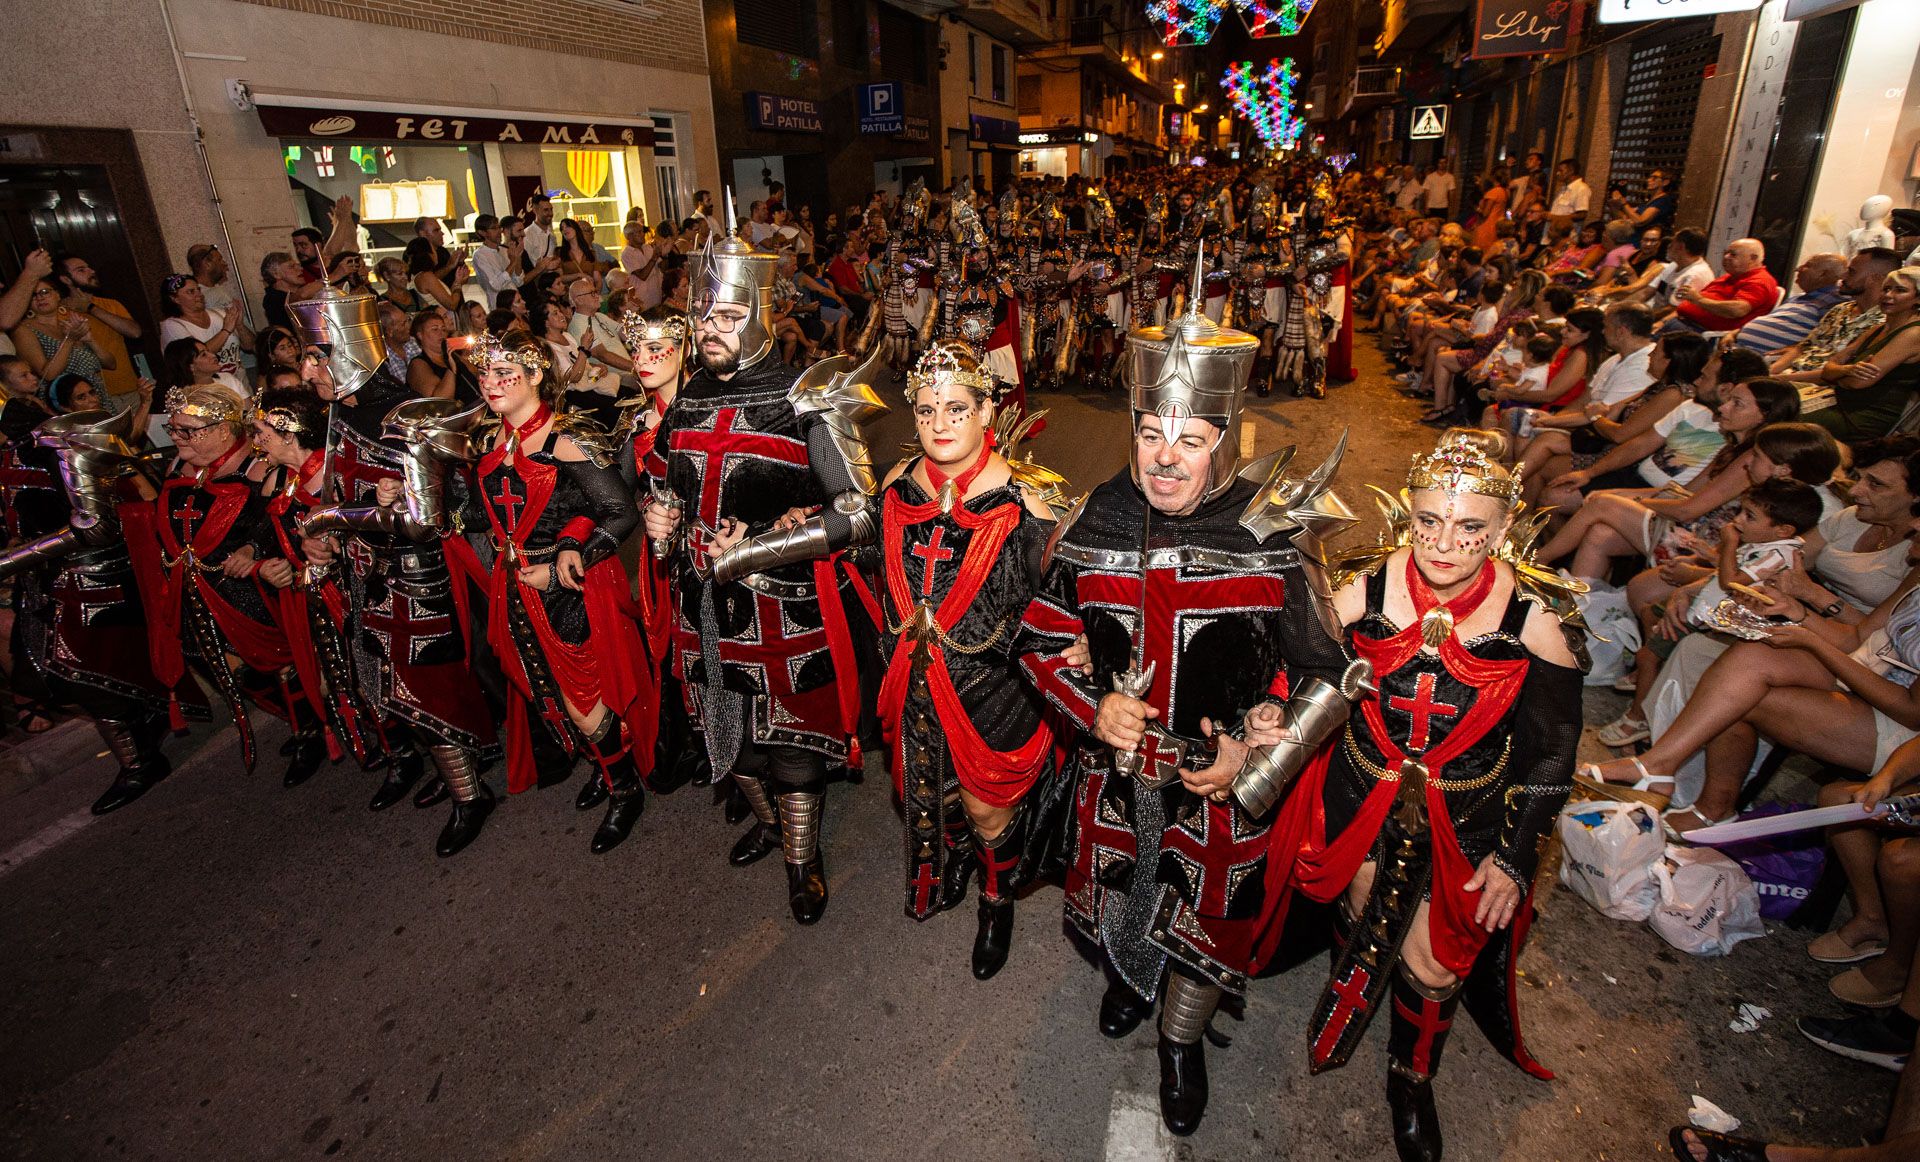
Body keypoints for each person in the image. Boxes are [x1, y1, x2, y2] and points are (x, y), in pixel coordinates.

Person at [1015, 293, 1353, 1136]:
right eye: (1151, 435)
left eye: (1191, 441)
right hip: (1117, 784)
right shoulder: (1091, 519)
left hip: (1217, 795)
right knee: (1119, 901)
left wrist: (1256, 762)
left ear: (1227, 438)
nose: (1166, 460)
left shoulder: (1271, 533)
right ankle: (1132, 987)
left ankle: (1179, 1039)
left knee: (1208, 927)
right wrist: (1093, 709)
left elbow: (1333, 675)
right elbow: (1036, 640)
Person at [1262, 431, 1583, 1162]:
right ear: (1409, 515)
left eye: (1470, 527)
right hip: (1359, 794)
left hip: (1468, 815)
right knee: (1357, 906)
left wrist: (1513, 854)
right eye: (1430, 521)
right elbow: (1305, 667)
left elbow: (1554, 751)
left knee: (1437, 962)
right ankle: (1353, 978)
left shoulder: (1533, 622)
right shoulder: (1364, 590)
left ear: (1502, 529)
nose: (1444, 543)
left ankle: (1411, 1076)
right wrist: (1272, 708)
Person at [641, 228, 881, 925]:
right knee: (730, 738)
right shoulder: (687, 398)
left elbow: (859, 515)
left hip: (785, 606)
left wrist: (755, 554)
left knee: (792, 745)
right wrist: (661, 518)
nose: (708, 331)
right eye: (700, 316)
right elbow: (671, 484)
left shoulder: (809, 394)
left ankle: (801, 858)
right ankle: (773, 824)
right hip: (702, 607)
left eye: (726, 316)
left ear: (764, 312)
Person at [862, 342, 1065, 977]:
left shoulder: (1028, 503)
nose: (941, 424)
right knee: (931, 791)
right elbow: (859, 555)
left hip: (992, 687)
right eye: (926, 411)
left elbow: (1066, 595)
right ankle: (947, 861)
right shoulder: (896, 488)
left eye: (956, 408)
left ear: (986, 412)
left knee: (986, 807)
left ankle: (996, 900)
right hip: (913, 680)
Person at [452, 329, 651, 854]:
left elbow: (621, 509)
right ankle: (605, 768)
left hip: (568, 590)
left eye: (502, 374)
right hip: (512, 588)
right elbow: (477, 515)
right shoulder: (487, 441)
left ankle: (625, 788)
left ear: (537, 374)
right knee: (546, 691)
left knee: (584, 699)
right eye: (483, 375)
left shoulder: (568, 437)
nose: (489, 384)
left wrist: (573, 552)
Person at [0, 405, 184, 813]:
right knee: (45, 679)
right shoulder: (12, 455)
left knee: (86, 675)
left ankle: (140, 762)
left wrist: (11, 562)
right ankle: (146, 724)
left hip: (90, 579)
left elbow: (97, 526)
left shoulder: (64, 446)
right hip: (46, 582)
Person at [125, 384, 295, 776]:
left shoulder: (256, 467)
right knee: (221, 667)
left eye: (189, 430)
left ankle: (314, 727)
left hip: (247, 591)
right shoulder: (174, 467)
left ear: (223, 429)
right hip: (196, 592)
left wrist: (253, 551)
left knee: (277, 666)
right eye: (174, 429)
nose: (178, 437)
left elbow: (275, 520)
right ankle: (295, 723)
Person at [1809, 265, 1920, 440]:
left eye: (1900, 290)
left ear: (1917, 299)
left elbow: (1857, 382)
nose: (1888, 296)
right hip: (1834, 400)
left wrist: (1839, 374)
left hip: (1859, 417)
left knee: (1778, 411)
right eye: (1886, 289)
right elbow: (1828, 369)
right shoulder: (1878, 328)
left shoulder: (1914, 333)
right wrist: (1845, 371)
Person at [1773, 247, 1902, 384]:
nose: (1843, 276)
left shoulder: (1883, 322)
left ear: (1874, 279)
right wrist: (1772, 372)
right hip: (1787, 378)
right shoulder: (1840, 309)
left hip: (1816, 388)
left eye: (1851, 272)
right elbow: (1801, 348)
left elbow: (1844, 373)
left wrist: (1781, 379)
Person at [54, 254, 144, 406]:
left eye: (89, 267)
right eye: (81, 270)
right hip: (93, 396)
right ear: (66, 279)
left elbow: (134, 332)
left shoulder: (110, 304)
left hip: (130, 389)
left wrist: (90, 308)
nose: (91, 271)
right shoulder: (60, 312)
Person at [11, 279, 112, 395]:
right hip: (65, 401)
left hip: (96, 395)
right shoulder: (24, 330)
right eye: (33, 295)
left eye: (45, 292)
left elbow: (111, 364)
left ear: (57, 295)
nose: (40, 298)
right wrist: (70, 339)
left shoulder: (70, 324)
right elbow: (47, 375)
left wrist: (90, 340)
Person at [1735, 252, 1847, 354]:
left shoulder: (1833, 302)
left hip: (1766, 358)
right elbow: (1770, 320)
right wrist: (1735, 333)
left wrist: (1794, 348)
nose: (1798, 269)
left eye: (1807, 266)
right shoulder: (1798, 297)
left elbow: (1827, 339)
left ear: (1823, 274)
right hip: (1740, 348)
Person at [1670, 239, 1781, 335]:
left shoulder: (1760, 281)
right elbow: (1688, 304)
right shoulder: (1730, 276)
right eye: (1726, 253)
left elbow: (1737, 310)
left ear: (1753, 258)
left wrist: (1698, 300)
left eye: (1733, 254)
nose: (1726, 257)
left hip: (1698, 332)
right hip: (1681, 322)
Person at [159, 272, 251, 377]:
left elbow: (249, 346)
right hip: (208, 390)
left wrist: (240, 326)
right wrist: (225, 331)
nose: (199, 294)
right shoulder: (171, 326)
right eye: (191, 292)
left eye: (198, 289)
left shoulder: (219, 313)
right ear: (175, 299)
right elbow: (195, 357)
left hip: (240, 385)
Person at [406, 311, 477, 403]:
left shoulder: (453, 355)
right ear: (420, 335)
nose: (441, 333)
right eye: (435, 329)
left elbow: (477, 376)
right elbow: (440, 401)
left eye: (443, 329)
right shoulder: (418, 364)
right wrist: (451, 369)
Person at [162, 337, 249, 400]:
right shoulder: (184, 397)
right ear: (190, 367)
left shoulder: (227, 378)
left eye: (209, 351)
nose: (213, 355)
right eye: (203, 355)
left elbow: (252, 412)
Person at [1547, 158, 1591, 224]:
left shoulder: (1581, 188)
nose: (1557, 173)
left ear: (1571, 171)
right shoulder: (1564, 188)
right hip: (1554, 230)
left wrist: (1555, 217)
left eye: (1561, 171)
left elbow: (1581, 215)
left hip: (1567, 232)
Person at [522, 194, 556, 264]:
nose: (550, 213)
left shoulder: (551, 233)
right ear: (535, 210)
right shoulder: (527, 235)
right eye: (546, 210)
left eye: (551, 209)